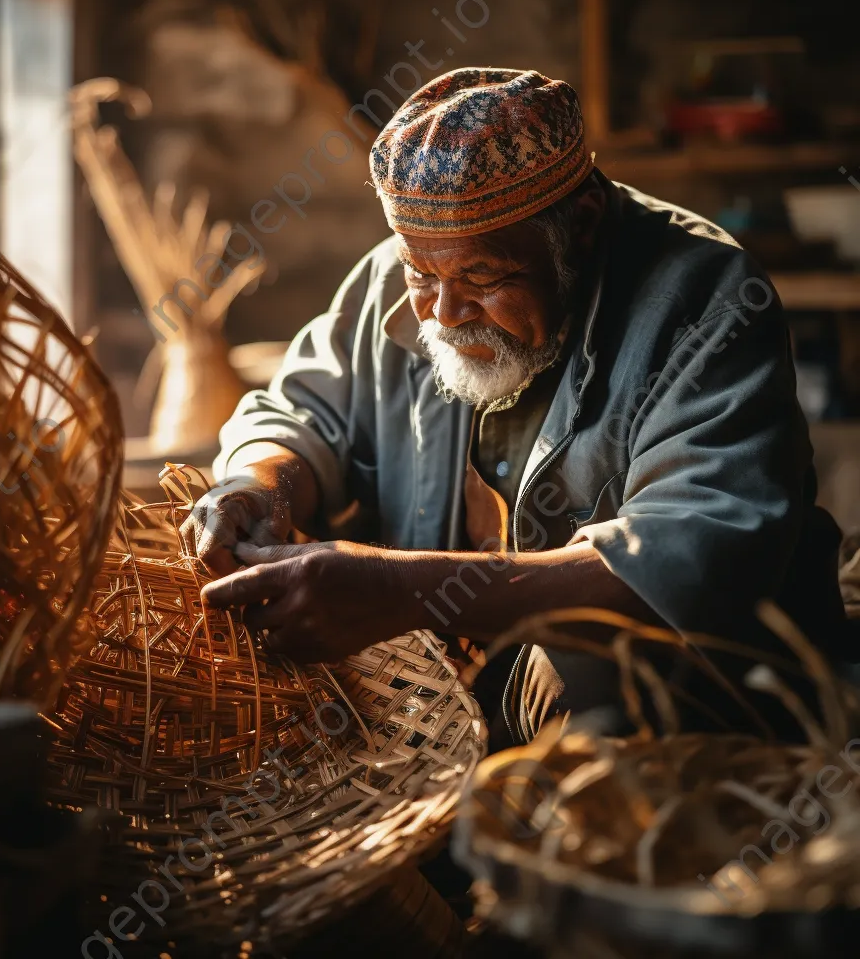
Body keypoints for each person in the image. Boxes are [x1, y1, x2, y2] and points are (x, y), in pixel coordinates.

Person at [186, 68, 850, 746]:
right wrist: (258, 486)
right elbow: (297, 415)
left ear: (582, 224)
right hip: (455, 708)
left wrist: (401, 592)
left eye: (483, 278)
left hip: (698, 720)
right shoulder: (402, 268)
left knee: (590, 673)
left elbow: (694, 559)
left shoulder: (706, 301)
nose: (443, 312)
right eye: (423, 276)